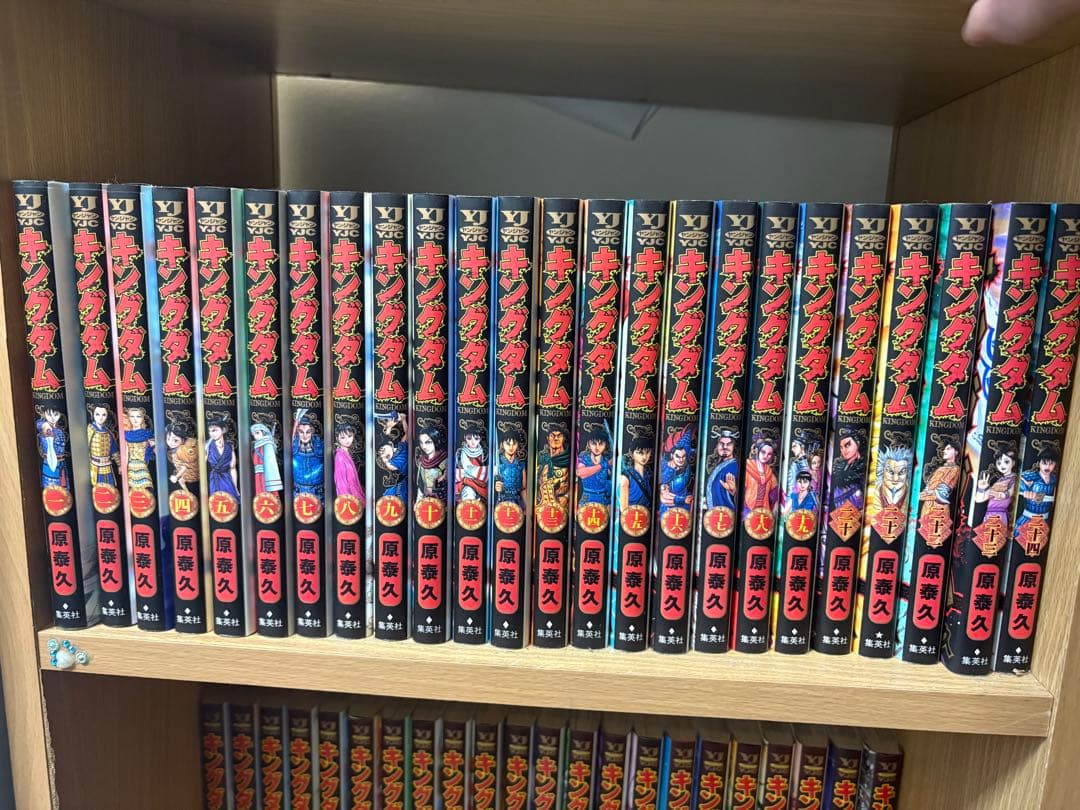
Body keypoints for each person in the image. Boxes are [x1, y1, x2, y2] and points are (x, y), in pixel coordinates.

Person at [1015, 448, 1058, 531]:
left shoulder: (1054, 479)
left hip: (1044, 521)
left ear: (1055, 464)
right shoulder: (1031, 476)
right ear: (1039, 463)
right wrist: (1025, 490)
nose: (1047, 467)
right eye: (1044, 463)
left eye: (1051, 464)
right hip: (1027, 519)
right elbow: (1017, 480)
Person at [975, 448, 1017, 526]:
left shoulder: (1013, 478)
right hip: (990, 513)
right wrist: (982, 488)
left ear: (1013, 462)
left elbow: (1009, 493)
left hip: (999, 514)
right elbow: (979, 499)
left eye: (1006, 462)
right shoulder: (1000, 480)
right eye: (999, 463)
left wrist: (1001, 494)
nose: (1002, 465)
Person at [659, 426, 694, 518]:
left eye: (683, 456)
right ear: (672, 455)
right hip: (668, 509)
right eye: (678, 456)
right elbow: (665, 495)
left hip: (684, 508)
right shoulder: (666, 466)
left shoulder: (687, 467)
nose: (681, 460)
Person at [291, 410, 325, 501]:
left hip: (317, 490)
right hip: (298, 489)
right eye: (301, 432)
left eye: (308, 432)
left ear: (312, 432)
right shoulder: (294, 446)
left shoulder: (320, 446)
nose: (305, 436)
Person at [576, 426, 612, 506]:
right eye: (594, 444)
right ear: (589, 444)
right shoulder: (584, 457)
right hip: (587, 499)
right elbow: (580, 473)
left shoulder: (606, 459)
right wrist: (604, 465)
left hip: (603, 500)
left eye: (601, 444)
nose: (597, 447)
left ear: (605, 445)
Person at [535, 426, 569, 509]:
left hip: (561, 504)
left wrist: (566, 496)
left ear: (563, 438)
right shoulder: (541, 458)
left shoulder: (568, 458)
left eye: (559, 436)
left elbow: (576, 483)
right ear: (547, 438)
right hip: (542, 503)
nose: (556, 438)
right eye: (552, 435)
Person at [206, 418, 240, 501]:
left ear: (223, 430)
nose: (211, 434)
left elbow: (232, 468)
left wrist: (235, 488)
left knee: (231, 501)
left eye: (214, 430)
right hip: (214, 480)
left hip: (227, 480)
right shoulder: (207, 447)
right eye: (210, 431)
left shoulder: (229, 446)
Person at [86, 405, 120, 488]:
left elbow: (114, 450)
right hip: (94, 466)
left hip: (107, 465)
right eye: (97, 414)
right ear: (93, 415)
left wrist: (119, 465)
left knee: (111, 489)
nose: (100, 418)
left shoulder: (108, 432)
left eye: (103, 415)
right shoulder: (90, 429)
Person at [705, 429, 738, 512]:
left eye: (729, 444)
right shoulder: (718, 465)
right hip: (714, 513)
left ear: (733, 447)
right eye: (721, 444)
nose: (725, 447)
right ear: (717, 446)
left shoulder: (735, 466)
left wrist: (734, 491)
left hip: (727, 513)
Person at [618, 438, 653, 512]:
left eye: (647, 452)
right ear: (631, 454)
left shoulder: (649, 475)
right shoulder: (626, 476)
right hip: (632, 515)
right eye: (640, 453)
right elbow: (623, 508)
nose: (644, 456)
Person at [38, 408, 69, 490]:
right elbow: (38, 424)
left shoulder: (59, 431)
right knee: (49, 487)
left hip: (60, 462)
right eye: (49, 415)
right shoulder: (44, 427)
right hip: (47, 462)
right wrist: (44, 425)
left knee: (61, 488)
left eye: (55, 415)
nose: (52, 418)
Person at [124, 407, 155, 491]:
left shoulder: (148, 434)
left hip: (143, 465)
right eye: (132, 416)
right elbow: (126, 454)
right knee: (132, 490)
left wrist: (153, 446)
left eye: (138, 416)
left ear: (142, 418)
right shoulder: (126, 435)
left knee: (146, 488)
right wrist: (124, 468)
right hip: (131, 466)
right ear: (128, 418)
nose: (135, 419)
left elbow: (156, 451)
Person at [494, 431, 527, 509]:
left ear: (517, 445)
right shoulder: (497, 464)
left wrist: (526, 506)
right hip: (502, 503)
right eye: (508, 444)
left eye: (514, 444)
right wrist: (496, 487)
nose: (511, 447)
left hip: (518, 504)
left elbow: (523, 489)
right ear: (502, 444)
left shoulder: (521, 464)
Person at [456, 427, 488, 503]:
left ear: (480, 439)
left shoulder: (484, 452)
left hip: (480, 481)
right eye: (469, 438)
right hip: (467, 480)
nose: (473, 442)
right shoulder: (461, 452)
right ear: (465, 437)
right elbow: (465, 468)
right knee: (468, 494)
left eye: (476, 439)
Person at [333, 424, 364, 503]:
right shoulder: (340, 457)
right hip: (348, 498)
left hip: (354, 494)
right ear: (337, 438)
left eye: (349, 436)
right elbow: (341, 483)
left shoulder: (346, 453)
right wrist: (347, 500)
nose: (347, 440)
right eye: (343, 437)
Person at [251, 422, 283, 495]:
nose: (255, 436)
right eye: (254, 434)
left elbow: (270, 462)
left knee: (267, 494)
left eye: (257, 433)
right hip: (258, 473)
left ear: (264, 433)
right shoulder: (257, 445)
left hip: (266, 474)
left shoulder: (268, 444)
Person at [415, 427, 448, 500]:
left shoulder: (444, 460)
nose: (424, 446)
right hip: (425, 500)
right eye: (421, 442)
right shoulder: (422, 461)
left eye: (428, 442)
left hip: (441, 500)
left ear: (435, 441)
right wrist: (419, 501)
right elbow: (420, 486)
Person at [165, 422, 199, 491]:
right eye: (168, 439)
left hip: (190, 474)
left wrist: (176, 477)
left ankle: (188, 493)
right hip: (187, 473)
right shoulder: (175, 450)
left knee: (181, 481)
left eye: (175, 440)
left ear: (183, 440)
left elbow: (184, 467)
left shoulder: (181, 451)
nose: (170, 442)